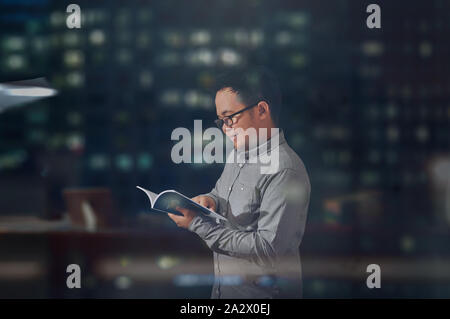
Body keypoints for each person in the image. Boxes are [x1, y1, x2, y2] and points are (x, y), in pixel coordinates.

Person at [168, 67, 311, 298]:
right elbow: (220, 192)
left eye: (230, 118)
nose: (225, 128)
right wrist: (210, 200)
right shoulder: (239, 154)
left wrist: (198, 224)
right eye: (221, 121)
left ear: (262, 110)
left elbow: (267, 250)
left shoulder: (285, 169)